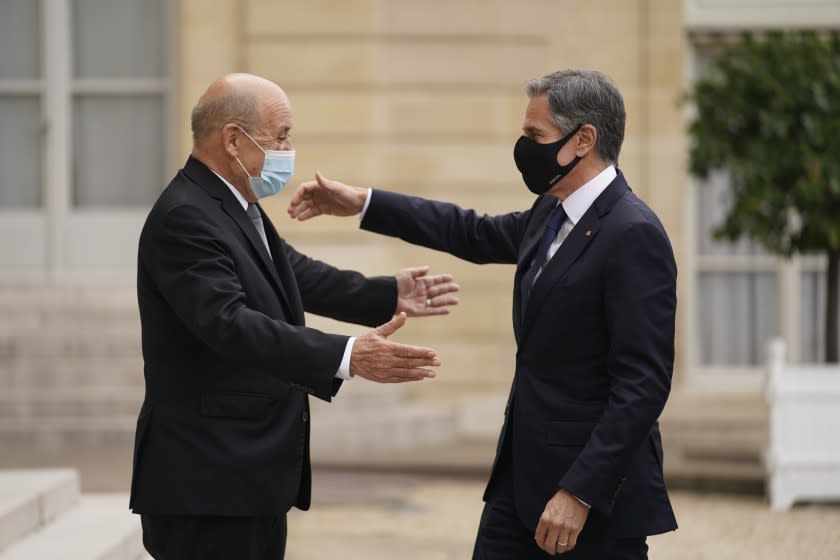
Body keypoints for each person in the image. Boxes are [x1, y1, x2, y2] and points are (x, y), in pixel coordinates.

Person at [288, 69, 678, 559]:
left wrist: (580, 491)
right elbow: (469, 232)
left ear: (583, 140)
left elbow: (643, 384)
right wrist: (364, 203)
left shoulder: (631, 233)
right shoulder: (550, 212)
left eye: (535, 136)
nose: (523, 147)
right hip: (519, 486)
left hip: (588, 502)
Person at [129, 73, 459, 560]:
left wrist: (387, 294)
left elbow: (291, 273)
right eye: (280, 135)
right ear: (234, 139)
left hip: (246, 477)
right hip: (207, 483)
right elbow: (230, 323)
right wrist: (346, 355)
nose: (288, 148)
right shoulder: (186, 215)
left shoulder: (232, 202)